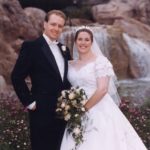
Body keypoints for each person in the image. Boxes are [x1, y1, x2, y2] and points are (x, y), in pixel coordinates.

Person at [60, 27, 147, 150]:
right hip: (76, 109)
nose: (83, 43)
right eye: (80, 39)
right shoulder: (70, 64)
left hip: (98, 108)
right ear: (75, 42)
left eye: (86, 40)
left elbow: (102, 89)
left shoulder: (100, 61)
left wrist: (83, 109)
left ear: (91, 42)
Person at [11, 10, 71, 150]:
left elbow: (66, 79)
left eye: (60, 26)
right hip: (41, 112)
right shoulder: (31, 47)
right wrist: (29, 102)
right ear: (45, 24)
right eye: (53, 24)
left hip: (64, 112)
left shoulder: (65, 50)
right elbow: (16, 76)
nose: (56, 28)